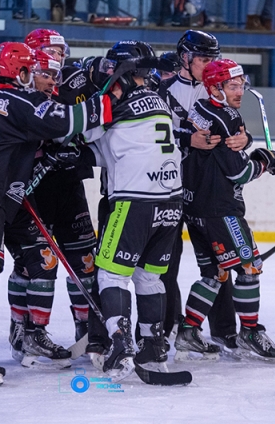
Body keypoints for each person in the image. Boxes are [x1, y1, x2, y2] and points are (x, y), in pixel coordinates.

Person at [0, 41, 112, 385]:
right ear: (21, 72)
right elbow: (71, 120)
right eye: (35, 69)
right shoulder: (21, 102)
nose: (42, 76)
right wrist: (112, 97)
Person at [79, 46, 183, 380]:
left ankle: (120, 347)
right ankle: (154, 348)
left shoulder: (112, 102)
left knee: (111, 275)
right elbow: (124, 146)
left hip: (134, 201)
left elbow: (83, 135)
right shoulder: (160, 100)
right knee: (149, 278)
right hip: (171, 202)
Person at [179, 59, 275, 362]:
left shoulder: (199, 109)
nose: (240, 91)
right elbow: (240, 172)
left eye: (241, 85)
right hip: (221, 209)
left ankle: (188, 332)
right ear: (215, 88)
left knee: (214, 274)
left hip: (194, 207)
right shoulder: (227, 115)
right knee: (249, 268)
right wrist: (266, 162)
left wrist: (249, 142)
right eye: (233, 86)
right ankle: (249, 331)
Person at [159, 30, 248, 354]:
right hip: (168, 189)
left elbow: (236, 129)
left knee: (218, 262)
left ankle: (223, 330)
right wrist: (187, 139)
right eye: (204, 58)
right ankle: (165, 328)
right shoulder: (162, 91)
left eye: (214, 58)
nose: (211, 64)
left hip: (208, 193)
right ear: (185, 58)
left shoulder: (219, 88)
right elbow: (150, 134)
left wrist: (246, 139)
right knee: (166, 263)